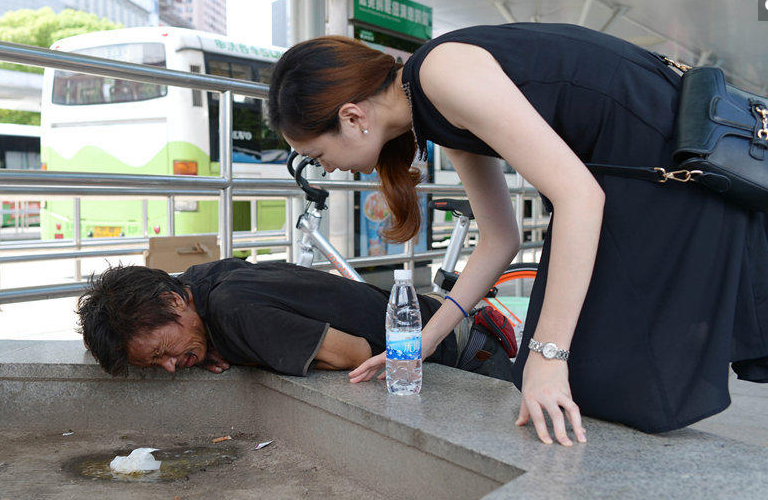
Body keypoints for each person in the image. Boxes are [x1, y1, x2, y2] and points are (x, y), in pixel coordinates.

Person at [267, 22, 768, 447]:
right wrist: (426, 338)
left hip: (666, 163)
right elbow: (500, 238)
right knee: (587, 372)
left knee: (592, 371)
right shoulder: (429, 106)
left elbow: (580, 198)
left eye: (316, 156)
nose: (325, 168)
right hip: (630, 174)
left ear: (352, 117)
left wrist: (548, 359)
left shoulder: (442, 74)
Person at [76, 258, 515, 381]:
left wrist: (249, 354)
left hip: (465, 355)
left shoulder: (232, 312)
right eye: (155, 366)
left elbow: (357, 356)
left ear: (173, 302)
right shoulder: (202, 283)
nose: (171, 365)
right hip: (459, 329)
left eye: (161, 352)